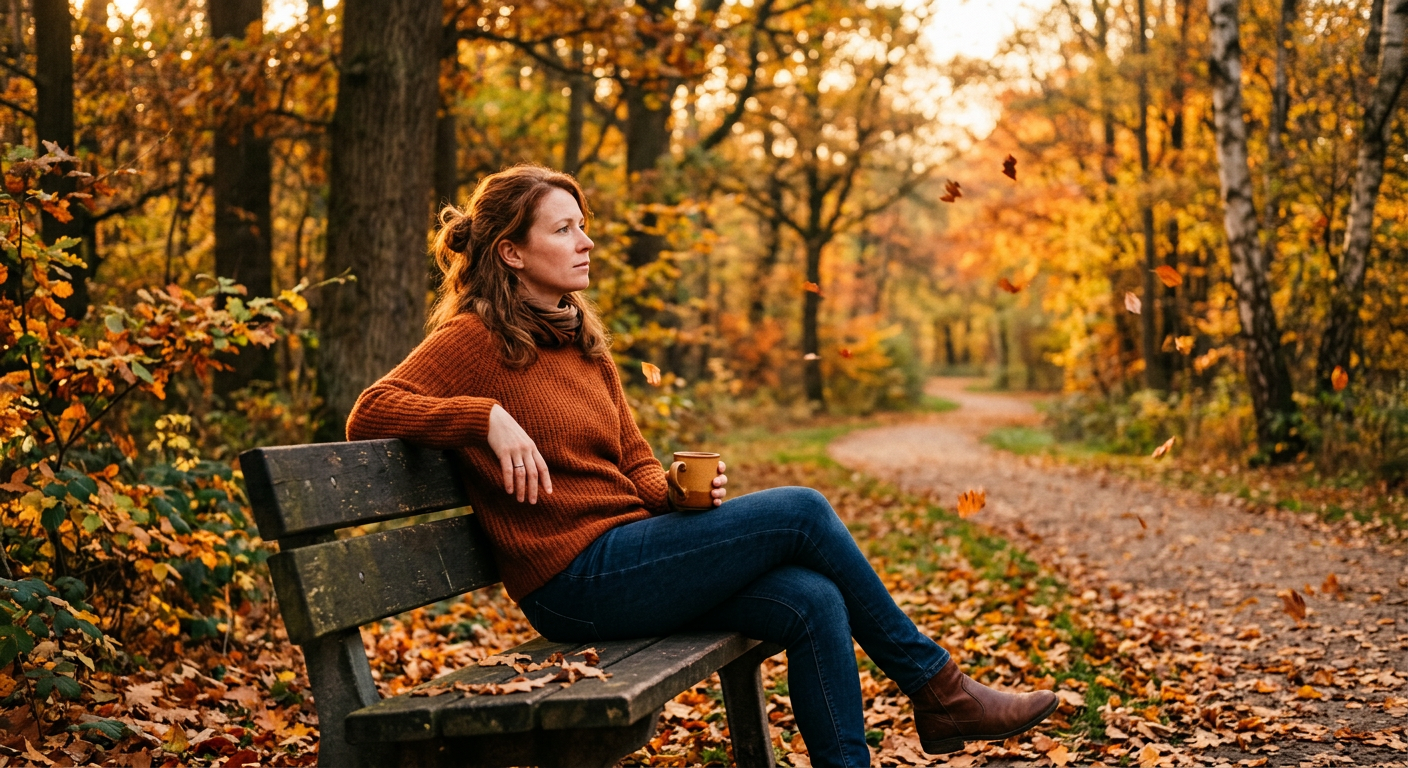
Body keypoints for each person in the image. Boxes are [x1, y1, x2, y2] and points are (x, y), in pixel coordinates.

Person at [345, 164, 1057, 767]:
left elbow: (633, 463)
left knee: (813, 599)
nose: (585, 241)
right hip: (573, 581)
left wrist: (678, 498)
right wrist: (482, 418)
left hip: (627, 555)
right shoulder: (475, 339)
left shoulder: (580, 339)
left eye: (582, 225)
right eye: (563, 229)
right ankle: (942, 690)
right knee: (803, 509)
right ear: (511, 253)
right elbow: (371, 411)